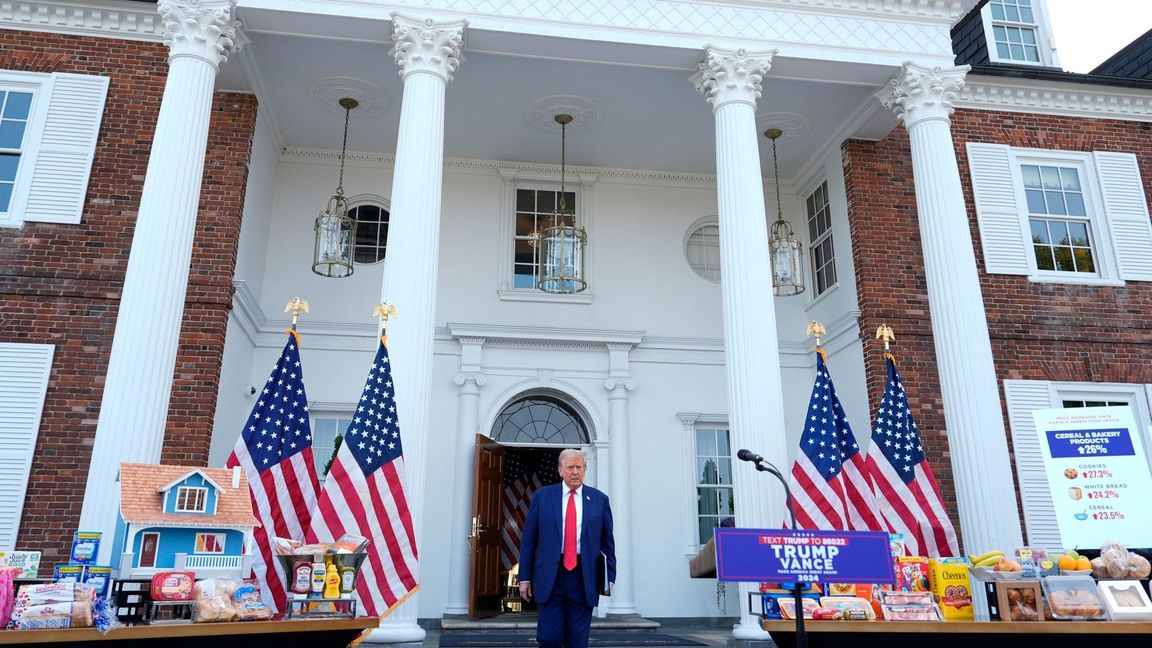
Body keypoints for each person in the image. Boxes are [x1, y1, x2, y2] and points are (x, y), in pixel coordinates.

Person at [518, 448, 616, 648]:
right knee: (550, 637)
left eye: (579, 467)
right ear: (560, 470)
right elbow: (529, 540)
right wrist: (524, 578)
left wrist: (610, 577)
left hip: (584, 576)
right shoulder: (542, 497)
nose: (575, 472)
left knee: (578, 641)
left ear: (585, 469)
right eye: (570, 467)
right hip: (550, 576)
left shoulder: (599, 500)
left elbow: (607, 543)